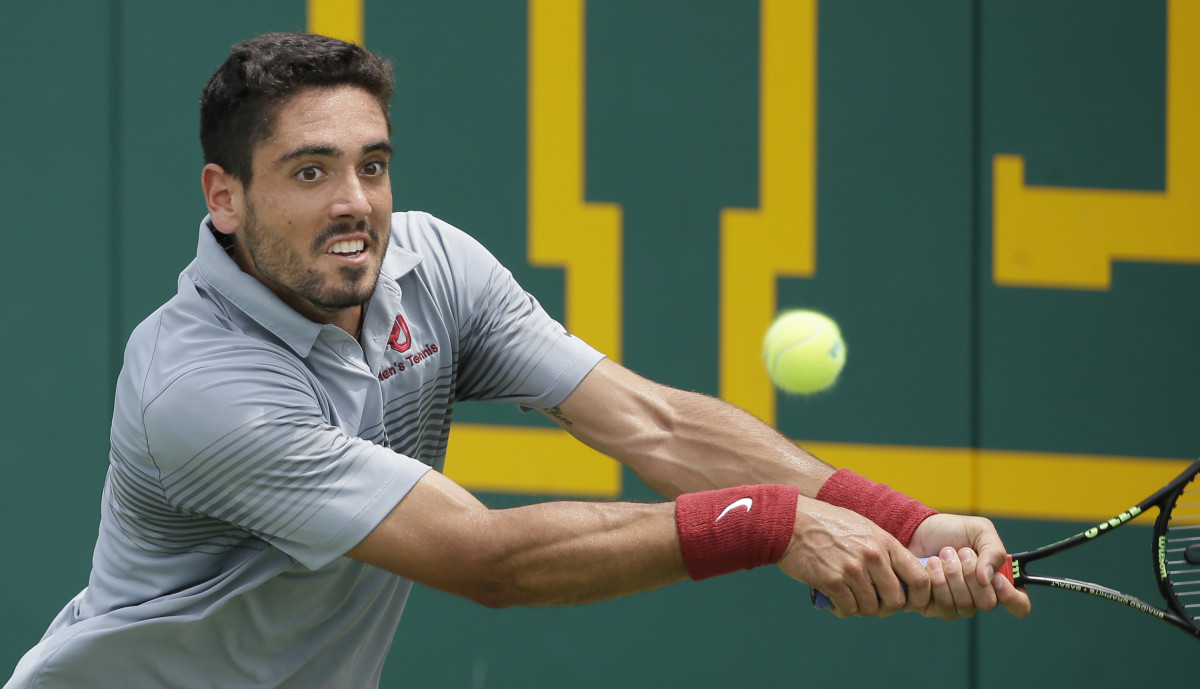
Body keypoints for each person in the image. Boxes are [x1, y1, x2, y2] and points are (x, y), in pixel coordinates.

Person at [5, 32, 1029, 689]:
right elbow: (489, 562)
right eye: (309, 172)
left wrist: (902, 519)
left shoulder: (432, 264)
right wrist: (774, 522)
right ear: (224, 197)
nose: (355, 203)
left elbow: (653, 424)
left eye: (372, 164)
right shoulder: (199, 385)